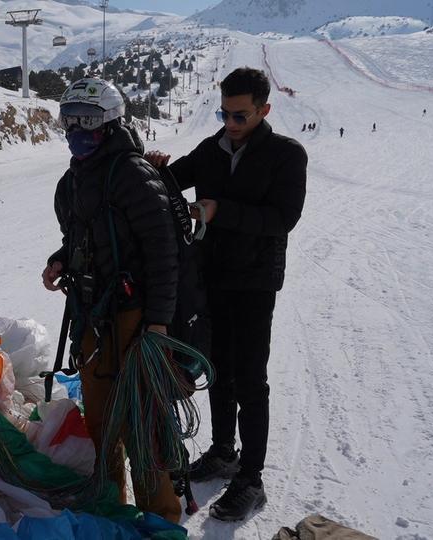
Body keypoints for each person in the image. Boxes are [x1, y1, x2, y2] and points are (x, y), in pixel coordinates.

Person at [144, 67, 308, 521]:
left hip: (255, 283)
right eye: (225, 114)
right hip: (212, 277)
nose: (231, 124)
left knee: (251, 379)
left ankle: (251, 478)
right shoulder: (213, 148)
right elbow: (172, 183)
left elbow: (282, 218)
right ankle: (222, 451)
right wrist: (156, 169)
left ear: (264, 110)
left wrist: (221, 210)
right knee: (219, 370)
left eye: (240, 116)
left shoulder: (285, 155)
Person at [42, 78, 181, 522]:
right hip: (93, 318)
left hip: (136, 318)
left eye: (86, 119)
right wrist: (60, 261)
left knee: (142, 423)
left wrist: (158, 322)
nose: (76, 129)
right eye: (69, 120)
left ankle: (161, 518)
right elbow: (80, 238)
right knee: (100, 419)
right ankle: (112, 510)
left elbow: (164, 253)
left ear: (109, 122)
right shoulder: (72, 182)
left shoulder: (133, 175)